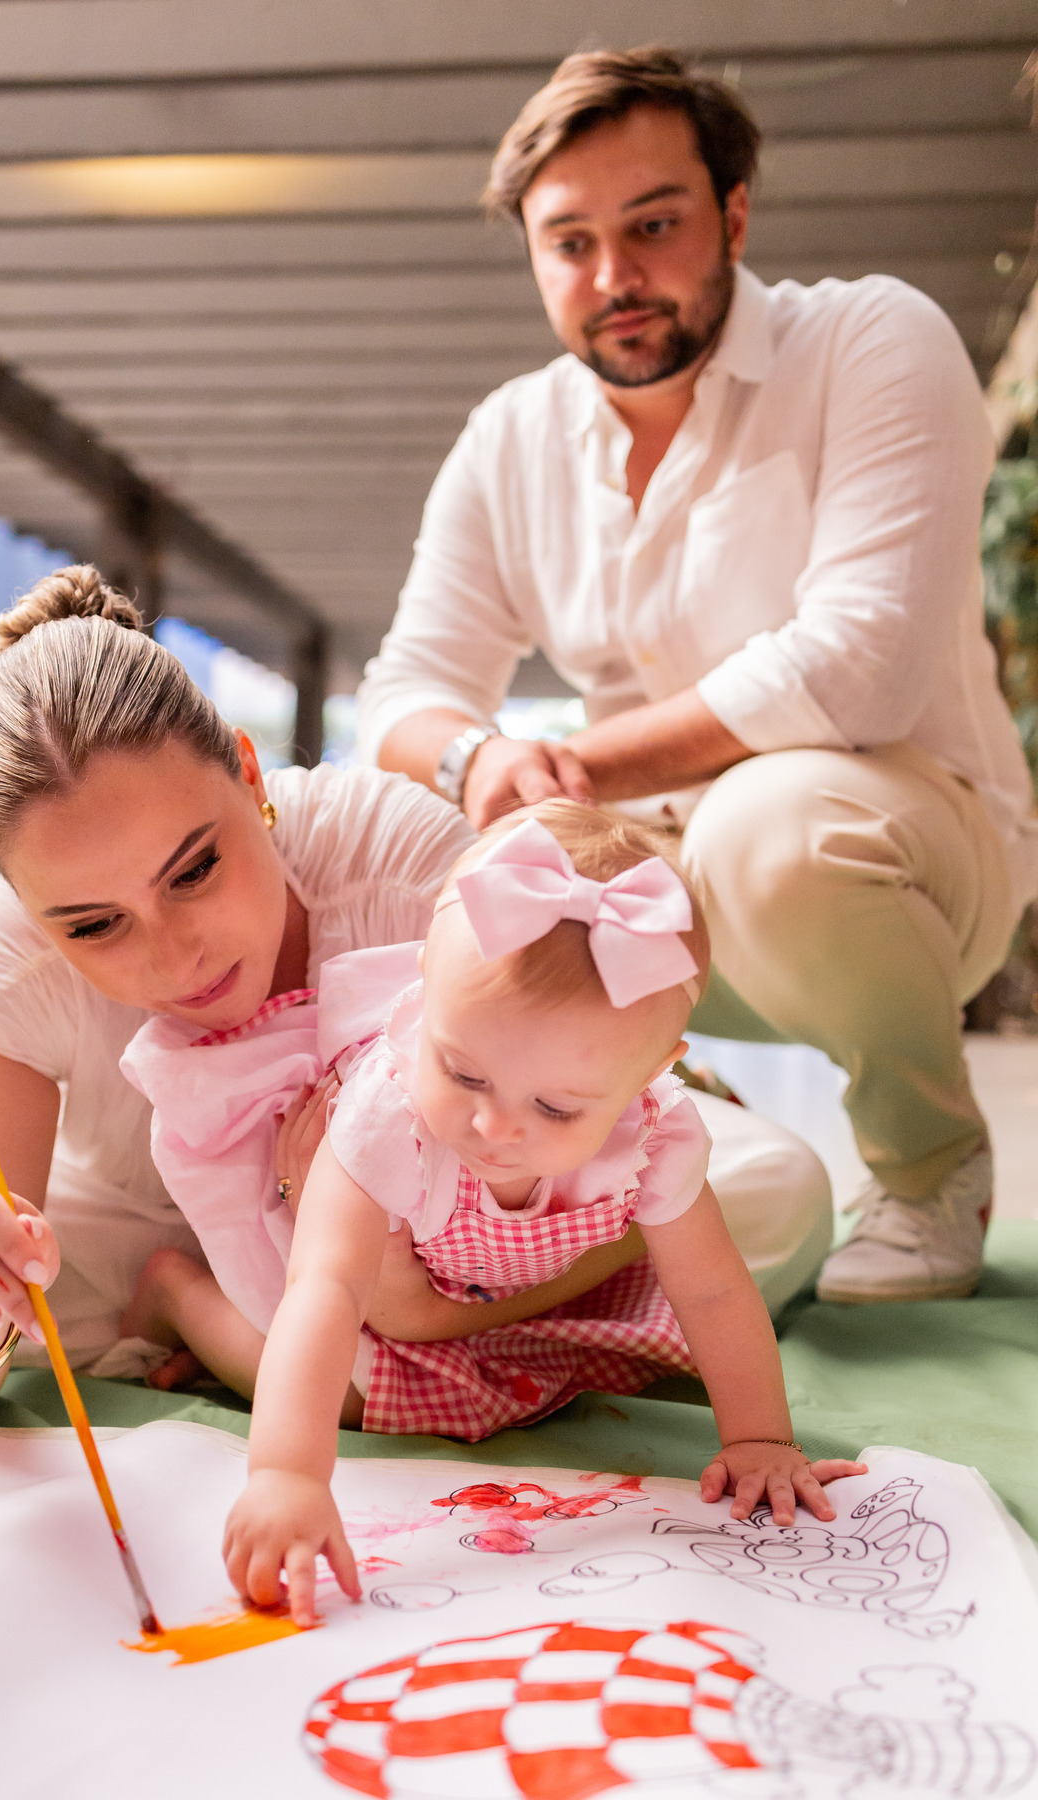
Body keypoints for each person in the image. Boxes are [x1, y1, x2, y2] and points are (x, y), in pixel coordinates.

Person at [358, 46, 1037, 1307]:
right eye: (569, 243)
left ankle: (929, 1164)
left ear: (733, 213)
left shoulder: (872, 341)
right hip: (662, 889)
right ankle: (513, 1191)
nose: (614, 278)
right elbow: (404, 685)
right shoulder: (511, 437)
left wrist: (579, 767)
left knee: (769, 823)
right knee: (403, 851)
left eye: (654, 225)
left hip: (912, 860)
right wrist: (483, 760)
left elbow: (859, 674)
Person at [0, 566, 745, 1425]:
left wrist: (406, 1302)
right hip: (135, 1226)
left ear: (249, 773)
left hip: (450, 1240)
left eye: (195, 870)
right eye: (93, 926)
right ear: (22, 903)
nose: (176, 957)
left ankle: (255, 1331)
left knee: (769, 1189)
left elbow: (567, 1089)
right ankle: (192, 1301)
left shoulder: (395, 859)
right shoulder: (8, 954)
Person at [218, 805, 866, 1624]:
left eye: (557, 1110)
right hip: (354, 1260)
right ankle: (180, 1297)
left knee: (625, 1347)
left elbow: (710, 1294)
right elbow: (326, 1293)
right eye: (463, 1072)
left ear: (650, 1078)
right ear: (423, 991)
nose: (494, 1129)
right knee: (361, 1383)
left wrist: (761, 1441)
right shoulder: (389, 1117)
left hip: (516, 1291)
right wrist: (287, 1478)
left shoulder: (654, 1135)